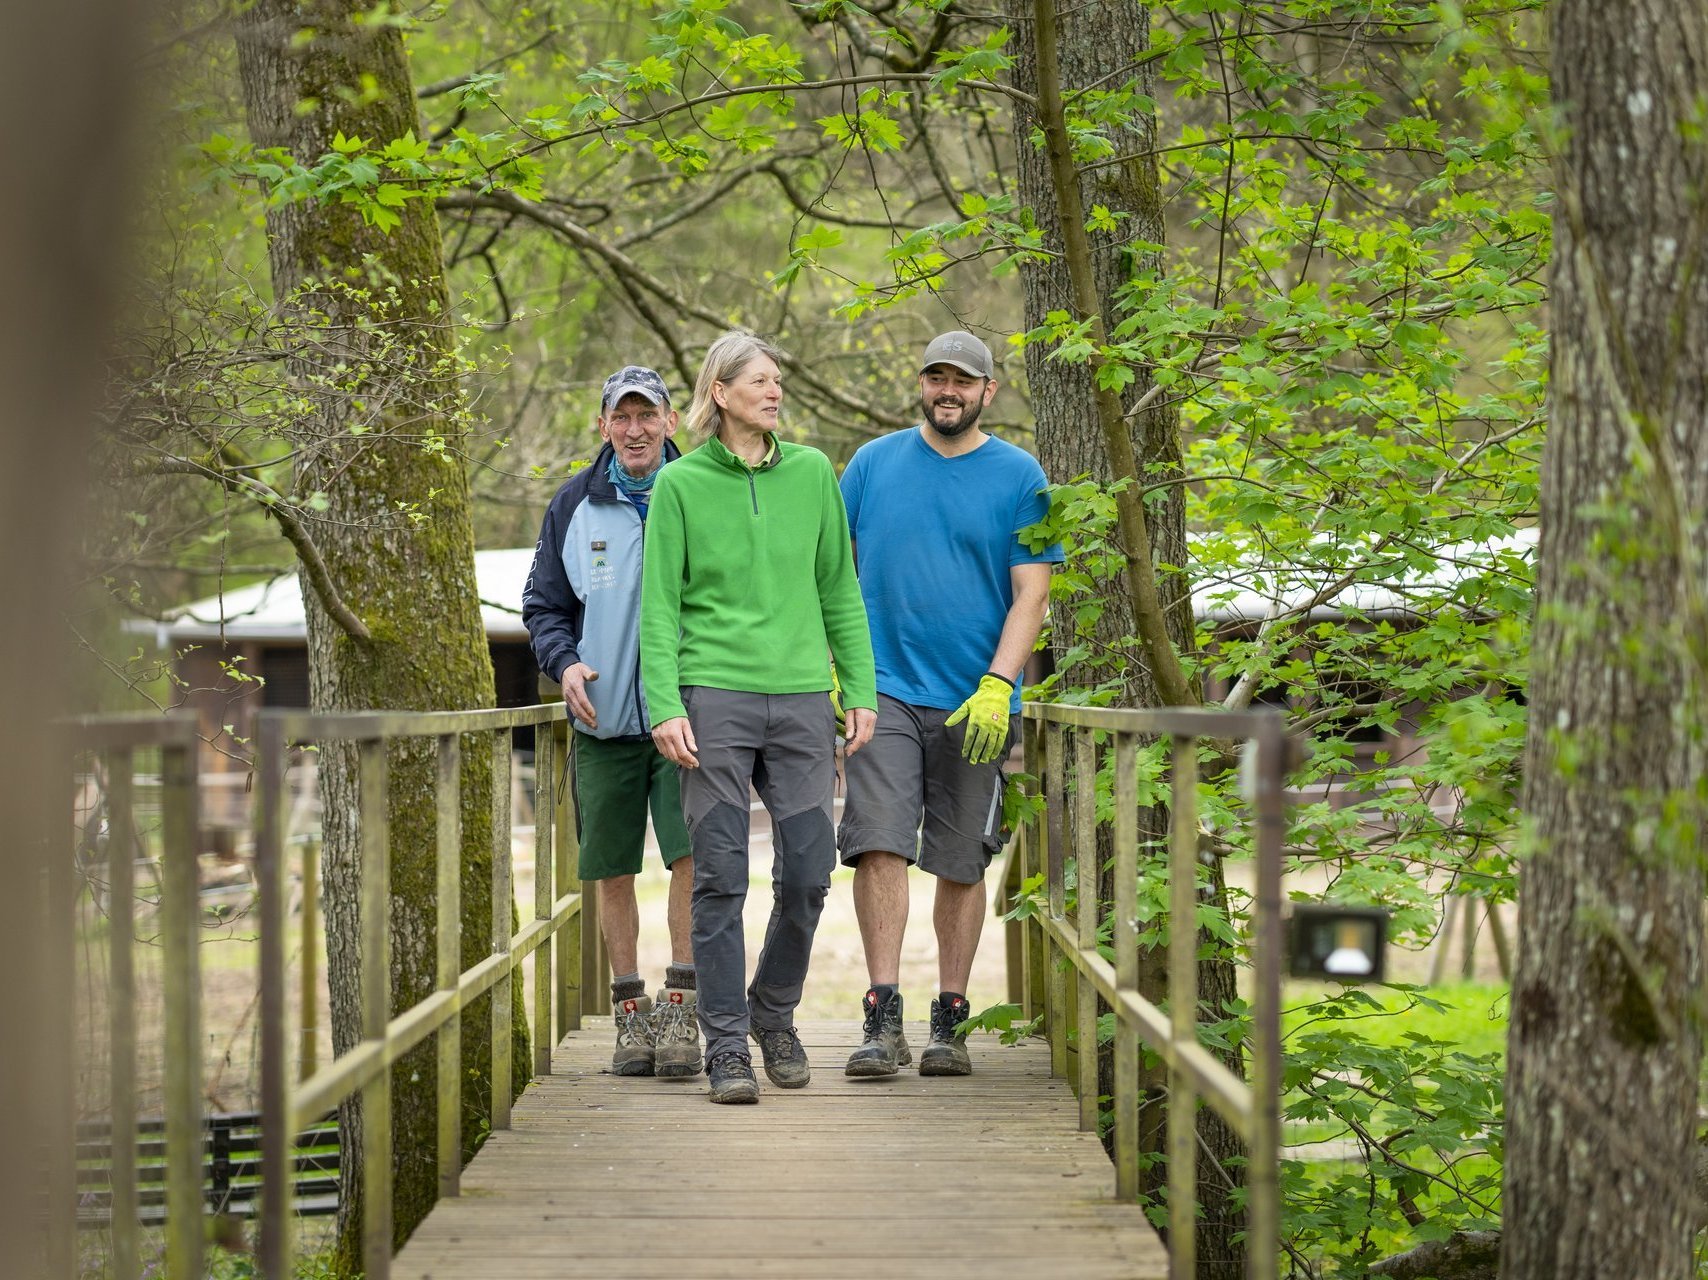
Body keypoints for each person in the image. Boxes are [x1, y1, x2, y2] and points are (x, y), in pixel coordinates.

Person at [640, 331, 877, 1105]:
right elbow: (659, 607)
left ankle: (772, 1015)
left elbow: (839, 588)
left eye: (779, 380)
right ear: (721, 392)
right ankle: (726, 1048)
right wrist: (665, 703)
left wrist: (860, 688)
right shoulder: (680, 485)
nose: (775, 392)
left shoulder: (813, 474)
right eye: (760, 381)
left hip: (806, 699)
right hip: (715, 697)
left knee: (809, 871)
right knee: (720, 878)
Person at [837, 329, 1062, 1077]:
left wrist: (1000, 684)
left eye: (963, 381)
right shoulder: (871, 466)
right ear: (922, 384)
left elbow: (1033, 594)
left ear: (988, 392)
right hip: (884, 692)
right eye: (936, 377)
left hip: (978, 699)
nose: (948, 391)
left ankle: (950, 1020)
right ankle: (882, 1015)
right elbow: (833, 573)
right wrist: (841, 676)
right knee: (879, 842)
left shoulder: (1021, 475)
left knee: (962, 859)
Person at [522, 365, 702, 1080]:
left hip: (684, 718)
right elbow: (542, 607)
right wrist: (563, 663)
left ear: (670, 422)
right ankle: (631, 1015)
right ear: (603, 426)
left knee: (692, 859)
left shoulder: (698, 495)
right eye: (620, 417)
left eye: (647, 416)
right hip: (601, 723)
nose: (634, 430)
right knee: (611, 867)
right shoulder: (572, 506)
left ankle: (682, 1004)